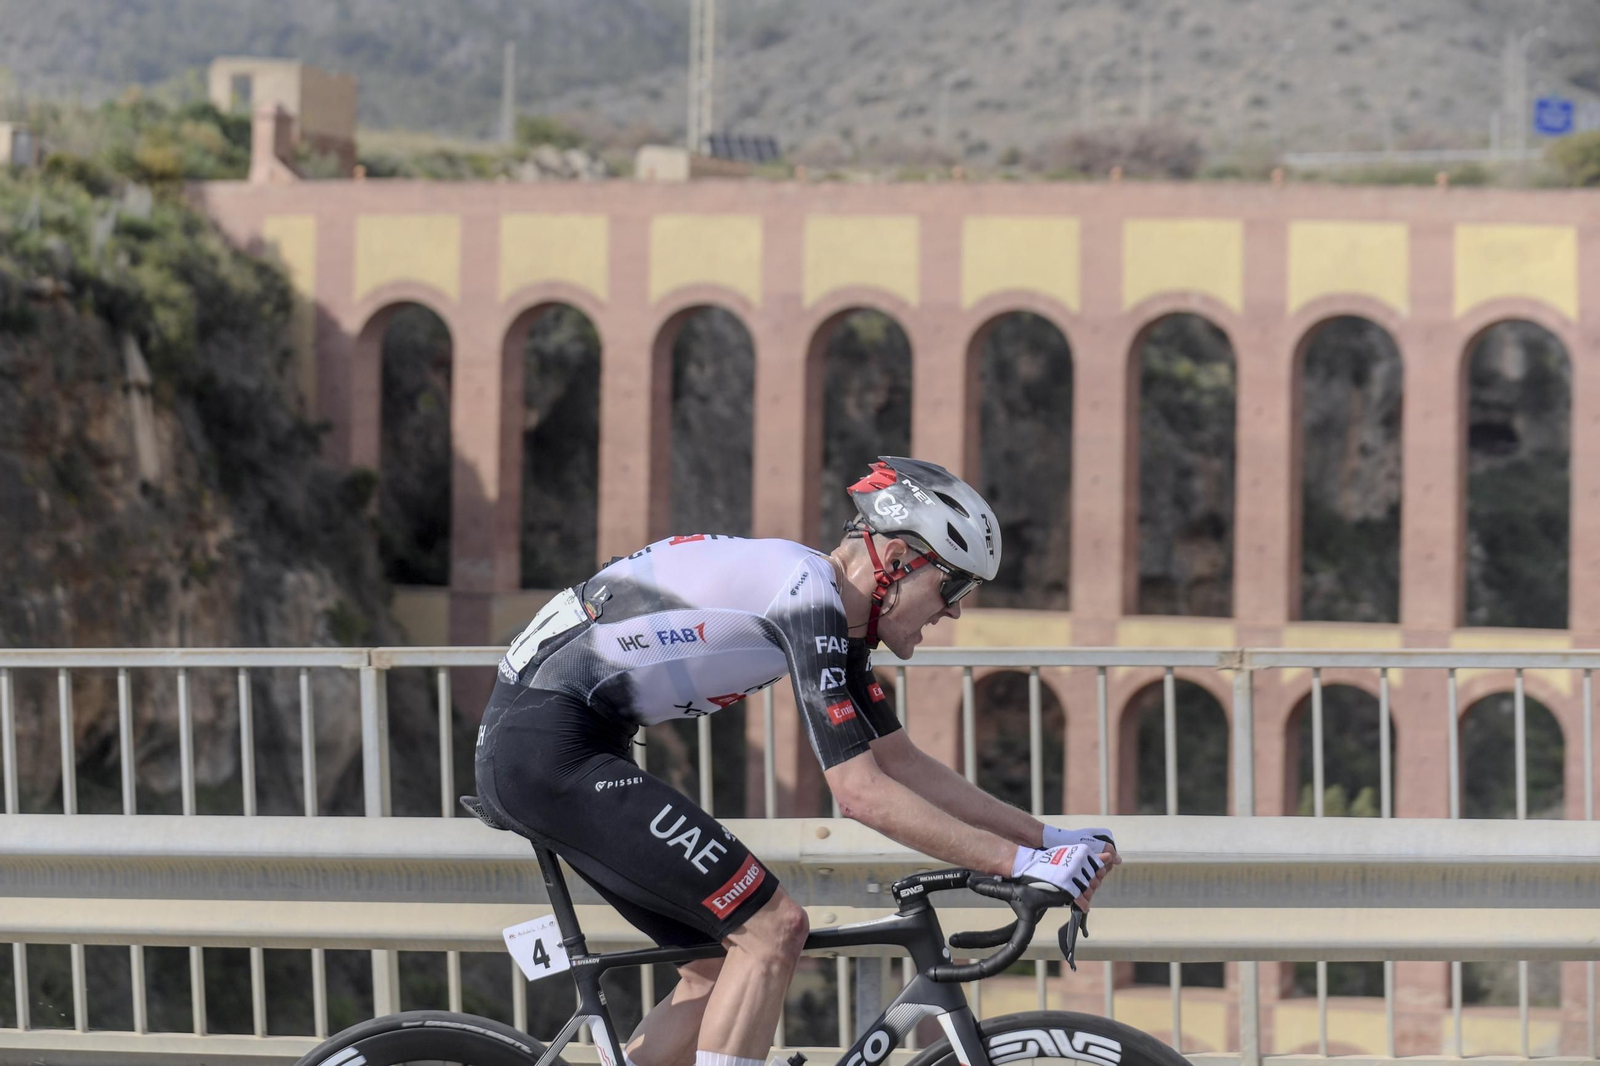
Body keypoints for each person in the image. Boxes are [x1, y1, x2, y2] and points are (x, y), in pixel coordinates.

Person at [475, 455, 1120, 1066]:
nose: (953, 608)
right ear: (895, 560)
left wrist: (1049, 840)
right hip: (549, 747)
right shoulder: (806, 596)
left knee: (715, 969)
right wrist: (1022, 865)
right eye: (951, 584)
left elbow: (902, 765)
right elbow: (860, 793)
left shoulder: (834, 612)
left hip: (564, 740)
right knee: (773, 929)